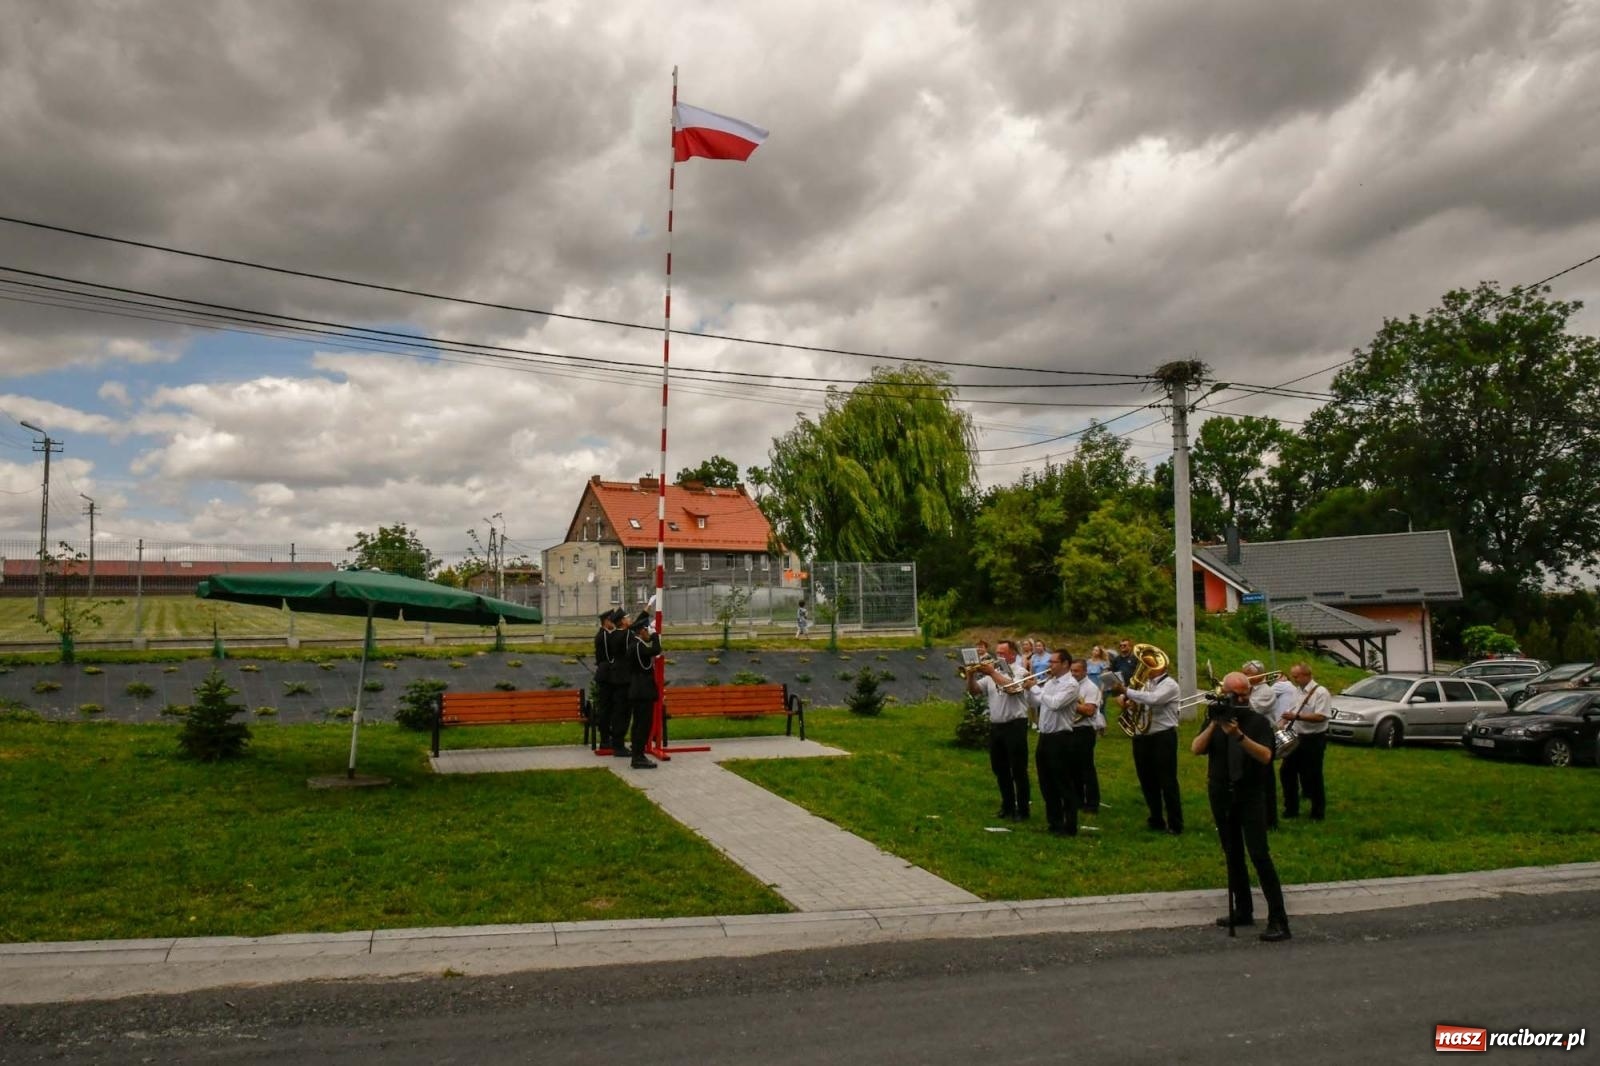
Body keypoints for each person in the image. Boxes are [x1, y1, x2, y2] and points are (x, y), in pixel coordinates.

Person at [1191, 671, 1291, 942]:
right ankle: (1243, 909)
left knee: (1259, 854)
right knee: (1232, 852)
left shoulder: (1257, 721)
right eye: (1236, 693)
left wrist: (1238, 736)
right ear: (1225, 693)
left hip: (1250, 793)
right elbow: (1196, 748)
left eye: (1245, 692)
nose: (1242, 698)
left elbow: (1265, 756)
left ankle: (1278, 919)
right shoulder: (1216, 718)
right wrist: (1215, 723)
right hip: (1221, 791)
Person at [1111, 651, 1183, 834]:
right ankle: (1156, 818)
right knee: (1147, 780)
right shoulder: (1145, 684)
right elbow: (1141, 703)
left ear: (1162, 667)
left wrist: (1127, 691)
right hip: (1142, 736)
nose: (1146, 669)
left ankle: (1175, 823)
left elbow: (1154, 699)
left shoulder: (1170, 685)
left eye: (1151, 666)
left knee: (1167, 781)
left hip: (1162, 736)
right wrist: (1131, 704)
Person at [967, 638, 1034, 821]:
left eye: (1002, 653)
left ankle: (1023, 809)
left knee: (1018, 770)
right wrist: (970, 674)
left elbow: (1013, 688)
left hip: (1015, 724)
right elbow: (974, 691)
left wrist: (991, 673)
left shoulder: (1020, 672)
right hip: (996, 725)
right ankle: (1007, 805)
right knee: (1000, 768)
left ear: (1013, 654)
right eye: (997, 653)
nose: (998, 656)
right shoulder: (991, 674)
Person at [1026, 649, 1080, 836]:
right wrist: (1028, 690)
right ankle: (1054, 822)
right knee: (1046, 783)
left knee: (1063, 783)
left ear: (1065, 664)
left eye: (1053, 662)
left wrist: (1034, 688)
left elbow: (1056, 704)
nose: (1050, 666)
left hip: (1061, 738)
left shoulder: (1071, 685)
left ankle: (1070, 825)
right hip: (1045, 737)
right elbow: (1037, 703)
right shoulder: (1050, 682)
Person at [1279, 662, 1331, 821]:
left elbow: (1321, 716)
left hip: (1313, 739)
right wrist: (1283, 723)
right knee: (1286, 772)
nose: (1294, 679)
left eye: (1296, 676)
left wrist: (1297, 717)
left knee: (1312, 776)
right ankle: (1291, 809)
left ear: (1307, 675)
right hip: (1296, 737)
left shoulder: (1321, 692)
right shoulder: (1297, 691)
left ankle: (1317, 812)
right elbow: (1293, 710)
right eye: (1293, 676)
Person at [1243, 660, 1281, 830]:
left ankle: (1269, 819)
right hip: (1250, 735)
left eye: (1248, 674)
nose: (1245, 677)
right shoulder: (1250, 689)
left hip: (1264, 735)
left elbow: (1252, 709)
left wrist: (1240, 693)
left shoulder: (1266, 692)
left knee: (1265, 778)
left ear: (1258, 675)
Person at [623, 611, 661, 769]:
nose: (648, 633)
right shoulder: (638, 647)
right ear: (642, 631)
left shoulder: (635, 646)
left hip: (638, 690)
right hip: (642, 691)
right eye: (646, 630)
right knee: (643, 724)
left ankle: (637, 753)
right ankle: (638, 756)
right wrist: (655, 636)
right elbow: (655, 650)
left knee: (639, 724)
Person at [1068, 657, 1104, 814]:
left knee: (1086, 768)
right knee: (1072, 768)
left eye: (1076, 671)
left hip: (1084, 730)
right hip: (1070, 729)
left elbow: (1089, 711)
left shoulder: (1091, 688)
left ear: (1085, 671)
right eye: (1071, 670)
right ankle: (1077, 800)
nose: (1073, 674)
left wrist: (1068, 702)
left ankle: (1092, 803)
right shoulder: (1069, 685)